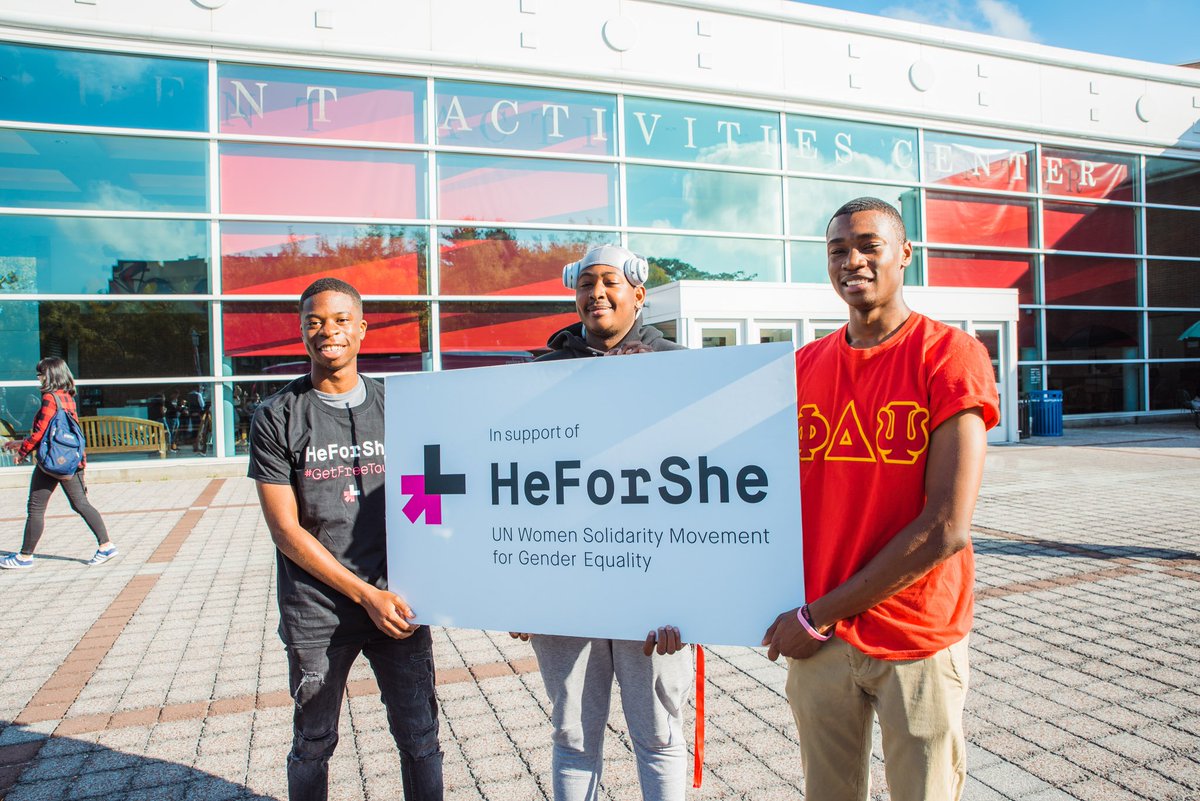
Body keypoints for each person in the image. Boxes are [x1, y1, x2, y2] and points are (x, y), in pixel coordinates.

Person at [762, 198, 999, 801]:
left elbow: (946, 528)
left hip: (913, 632)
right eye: (838, 250)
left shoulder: (950, 355)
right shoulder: (801, 367)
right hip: (822, 640)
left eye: (869, 245)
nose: (853, 261)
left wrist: (816, 616)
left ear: (905, 254)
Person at [248, 277, 442, 801]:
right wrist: (364, 595)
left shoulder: (399, 405)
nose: (327, 331)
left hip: (399, 604)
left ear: (361, 329)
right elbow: (286, 531)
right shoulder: (276, 416)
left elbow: (433, 498)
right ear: (301, 331)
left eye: (339, 320)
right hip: (318, 612)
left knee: (421, 740)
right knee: (313, 743)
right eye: (314, 322)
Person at [512, 244, 692, 801]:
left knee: (659, 733)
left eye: (610, 282)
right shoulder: (540, 376)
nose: (597, 293)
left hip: (653, 584)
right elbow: (512, 484)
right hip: (566, 584)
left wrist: (696, 595)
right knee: (572, 736)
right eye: (587, 283)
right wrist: (511, 589)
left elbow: (707, 476)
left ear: (639, 293)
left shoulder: (683, 370)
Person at [1, 357, 117, 569]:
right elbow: (54, 433)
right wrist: (21, 443)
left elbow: (41, 433)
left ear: (51, 375)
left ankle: (25, 557)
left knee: (37, 508)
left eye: (41, 374)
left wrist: (22, 452)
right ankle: (106, 545)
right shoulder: (67, 397)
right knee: (80, 503)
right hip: (69, 459)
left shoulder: (50, 398)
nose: (38, 378)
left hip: (52, 461)